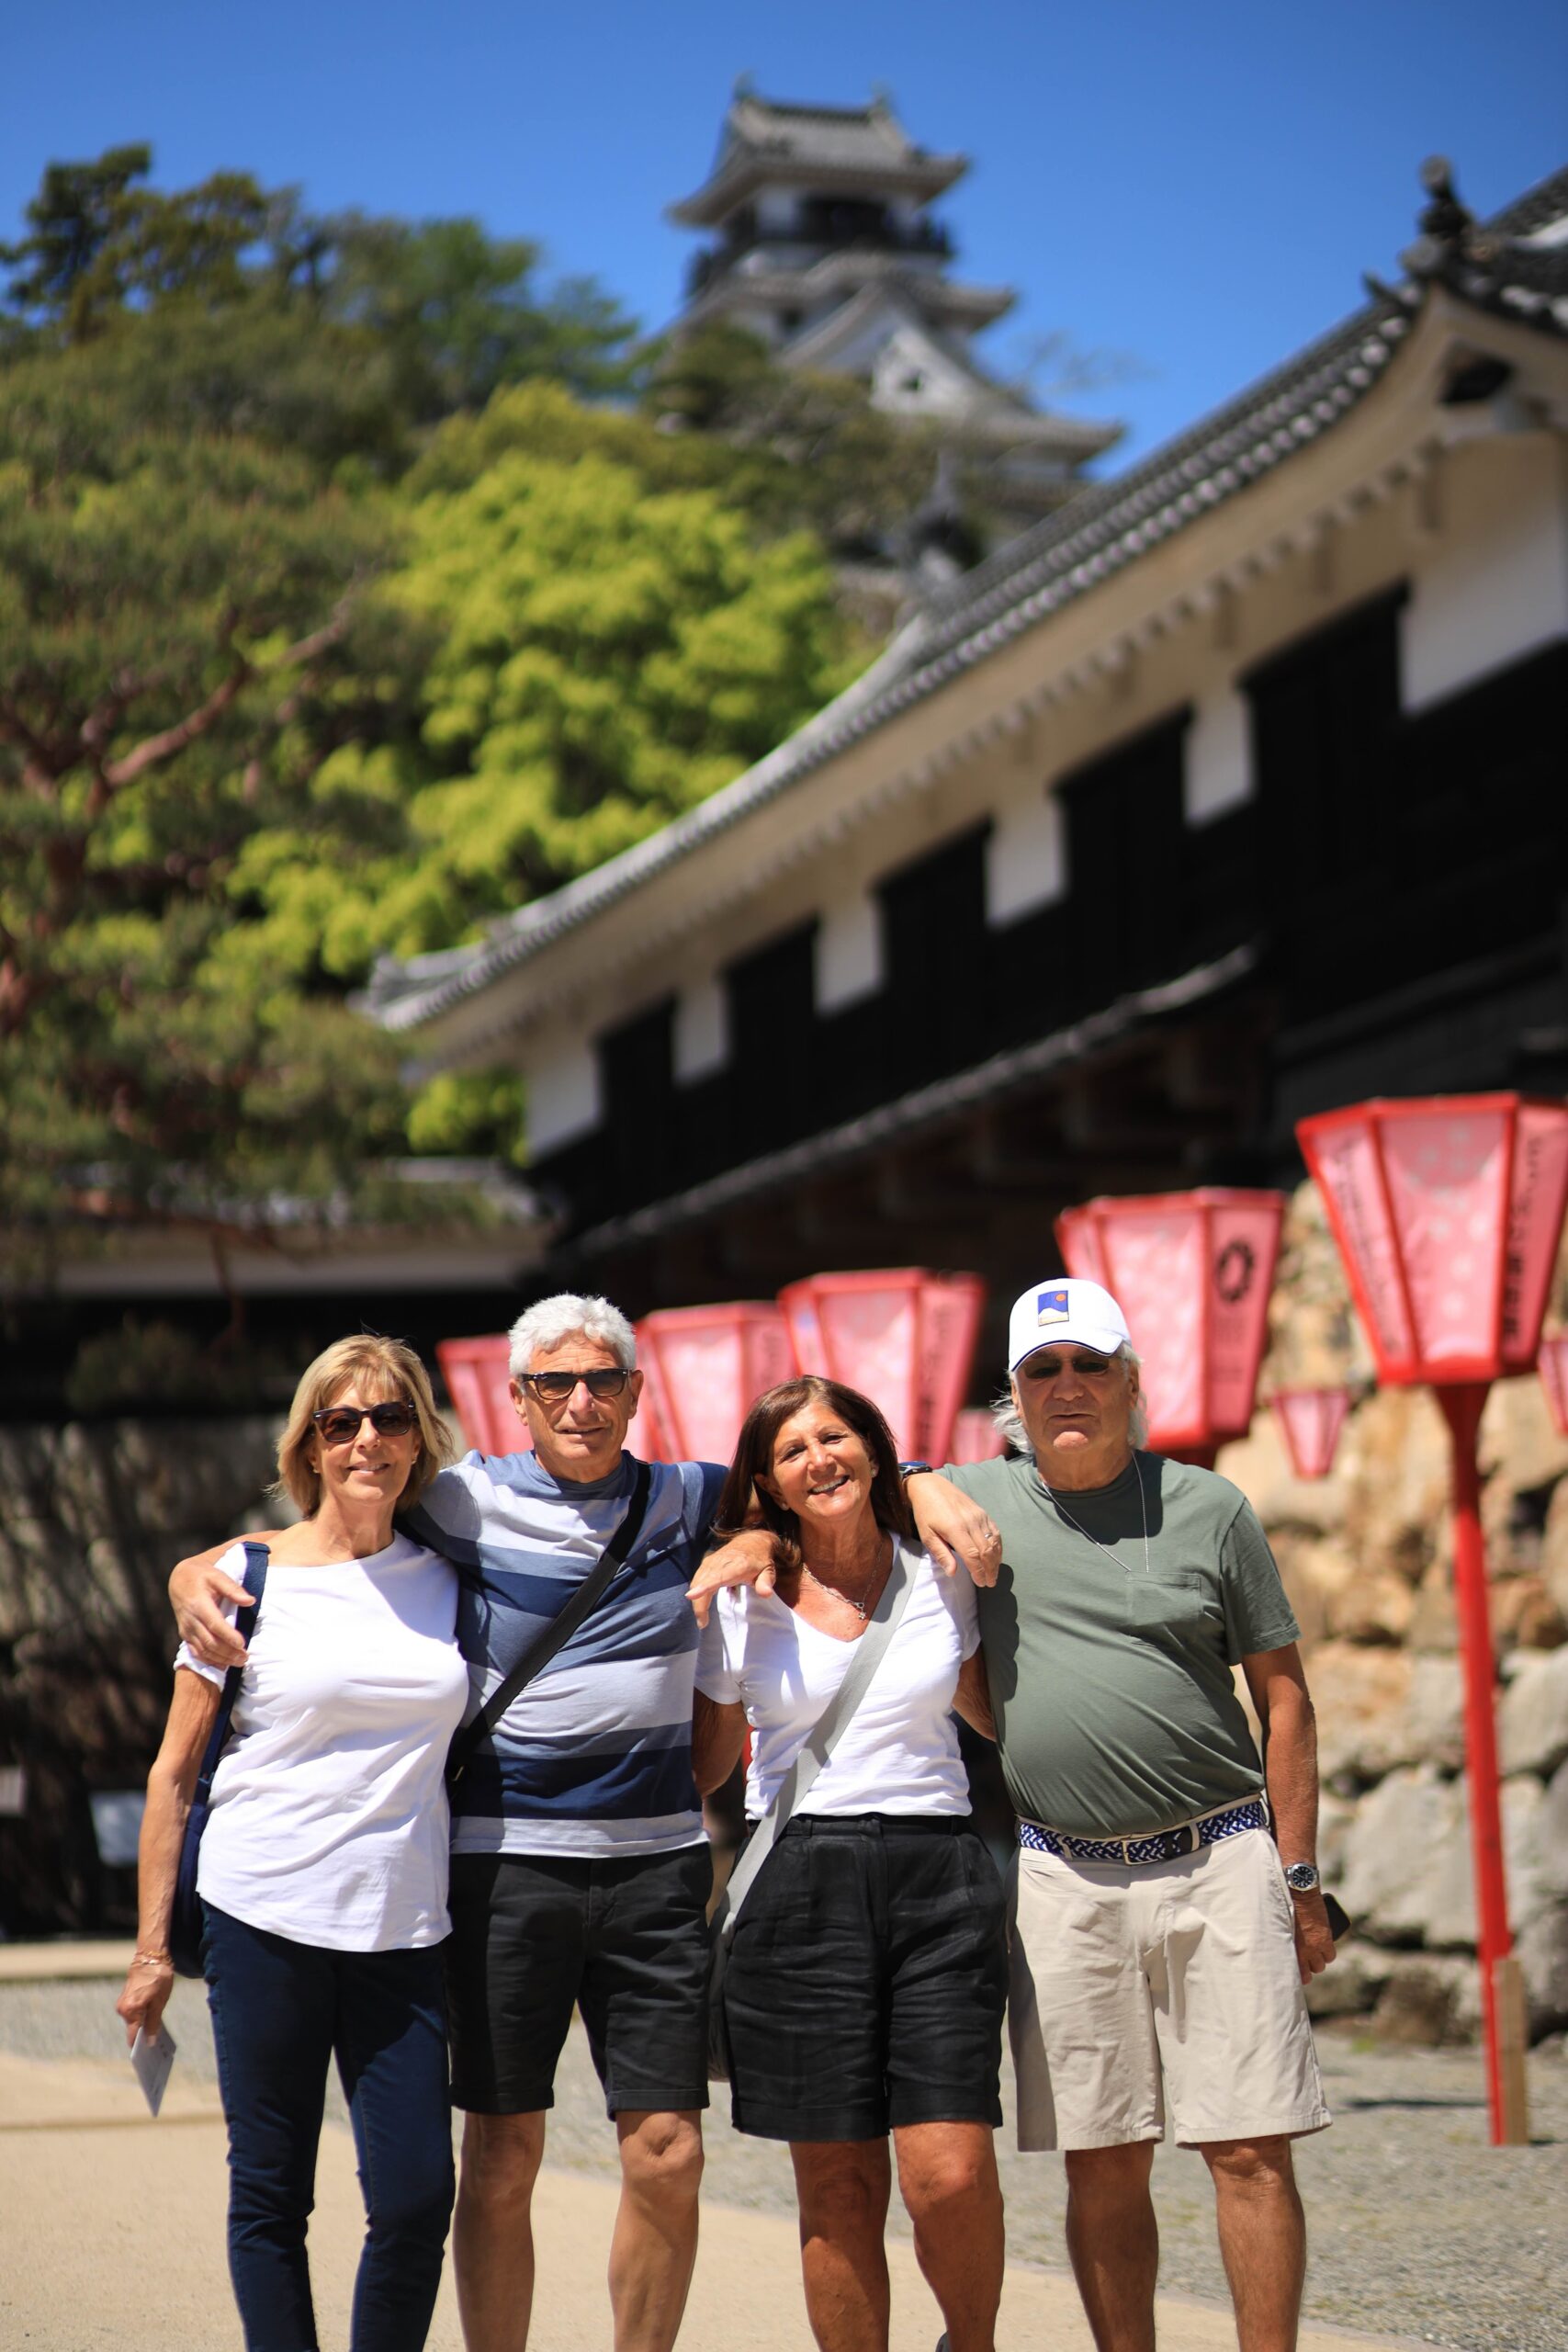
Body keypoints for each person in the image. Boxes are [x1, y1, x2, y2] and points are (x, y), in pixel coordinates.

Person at [172, 1293, 998, 2352]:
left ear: (635, 1393)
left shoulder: (690, 1496)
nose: (580, 1401)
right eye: (553, 1383)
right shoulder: (458, 1501)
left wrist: (925, 1479)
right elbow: (329, 1525)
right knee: (505, 2150)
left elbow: (826, 1467)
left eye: (602, 1380)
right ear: (516, 1399)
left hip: (655, 1869)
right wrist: (196, 1566)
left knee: (668, 2149)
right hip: (503, 1866)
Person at [692, 1276, 1337, 2352]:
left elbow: (1286, 1695)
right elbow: (720, 1742)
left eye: (1091, 1365)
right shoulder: (916, 1529)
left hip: (1165, 1852)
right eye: (1043, 1370)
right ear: (1014, 1394)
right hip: (1009, 1870)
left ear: (1132, 1380)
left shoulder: (1168, 1512)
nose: (1069, 1386)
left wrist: (1302, 1876)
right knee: (1069, 2157)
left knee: (1229, 2149)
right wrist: (750, 1552)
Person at [118, 1334, 468, 2352]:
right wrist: (151, 1952)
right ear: (308, 1444)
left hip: (404, 1928)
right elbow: (174, 1772)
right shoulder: (240, 1576)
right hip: (261, 1914)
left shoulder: (452, 1576)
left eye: (390, 1417)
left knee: (412, 2198)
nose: (367, 1438)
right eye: (341, 1420)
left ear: (419, 1439)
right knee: (272, 2191)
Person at [693, 1375, 1008, 2352]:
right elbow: (705, 1766)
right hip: (797, 1876)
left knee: (947, 2171)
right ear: (770, 1481)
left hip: (938, 1872)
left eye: (835, 1437)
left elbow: (995, 1715)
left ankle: (973, 2342)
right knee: (837, 2181)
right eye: (791, 1450)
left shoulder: (941, 1566)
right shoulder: (744, 1595)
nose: (818, 1459)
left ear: (876, 1450)